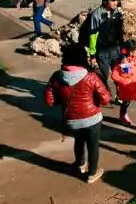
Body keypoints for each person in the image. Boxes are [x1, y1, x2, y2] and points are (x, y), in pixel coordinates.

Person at [44, 44, 112, 184]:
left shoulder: (56, 77)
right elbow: (106, 99)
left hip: (72, 120)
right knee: (93, 145)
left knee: (79, 141)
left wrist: (63, 99)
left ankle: (80, 165)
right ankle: (92, 173)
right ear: (82, 58)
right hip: (92, 119)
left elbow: (49, 101)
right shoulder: (91, 77)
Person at [80, 0, 124, 103]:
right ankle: (105, 95)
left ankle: (120, 96)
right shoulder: (97, 15)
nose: (116, 3)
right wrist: (93, 54)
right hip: (102, 52)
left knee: (118, 74)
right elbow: (93, 35)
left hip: (115, 49)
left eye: (116, 0)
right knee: (103, 76)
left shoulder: (117, 12)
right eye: (113, 0)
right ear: (105, 1)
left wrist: (122, 48)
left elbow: (120, 32)